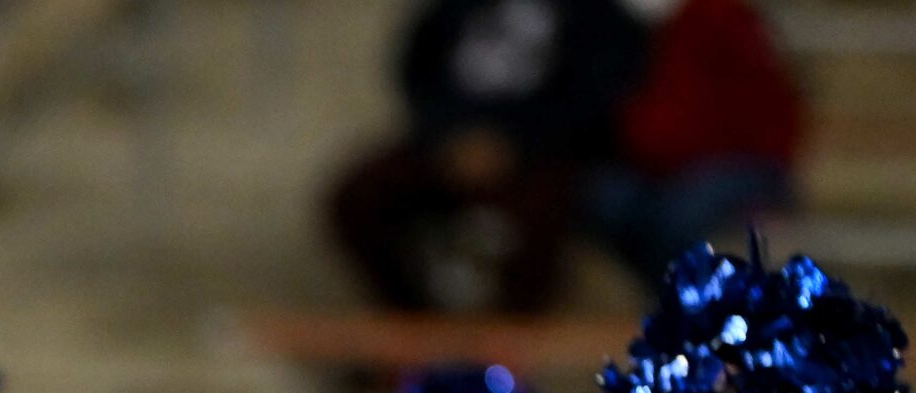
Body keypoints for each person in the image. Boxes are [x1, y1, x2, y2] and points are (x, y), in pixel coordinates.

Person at [327, 0, 798, 314]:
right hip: (447, 141)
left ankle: (513, 342)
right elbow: (419, 65)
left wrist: (515, 143)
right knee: (360, 194)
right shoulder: (457, 8)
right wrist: (448, 135)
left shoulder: (600, 16)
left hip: (541, 150)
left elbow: (599, 96)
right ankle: (411, 325)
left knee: (563, 210)